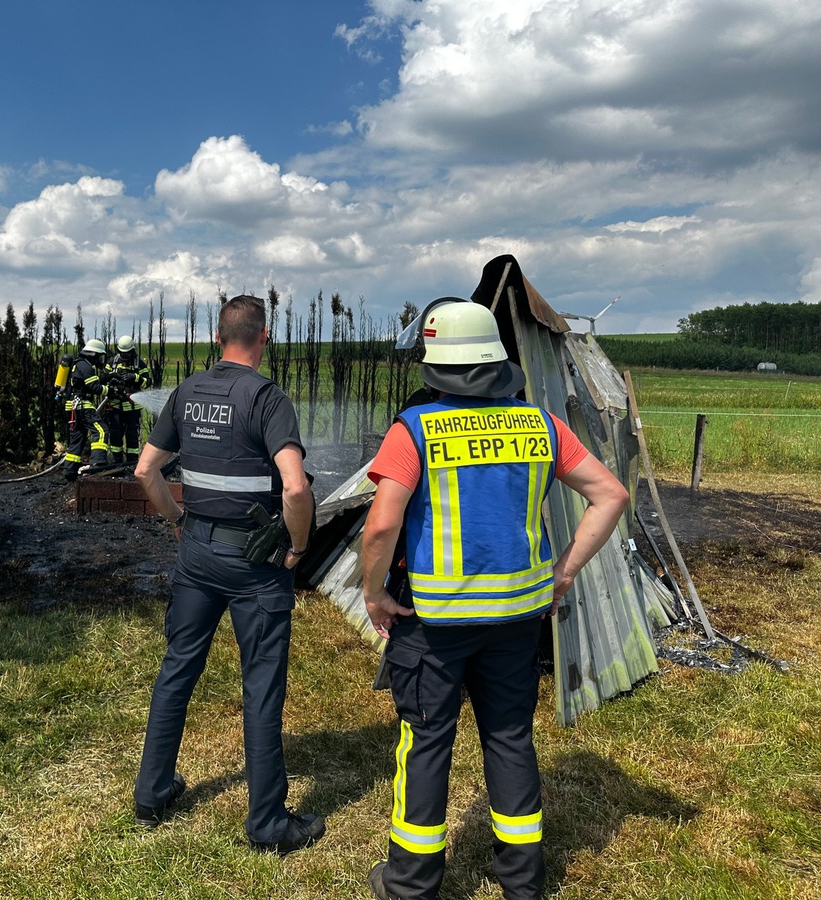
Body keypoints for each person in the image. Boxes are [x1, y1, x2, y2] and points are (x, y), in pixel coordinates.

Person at [361, 300, 630, 900]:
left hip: (433, 621)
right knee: (510, 737)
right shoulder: (539, 425)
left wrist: (375, 593)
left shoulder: (416, 429)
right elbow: (610, 495)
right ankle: (522, 884)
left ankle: (410, 885)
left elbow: (381, 526)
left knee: (425, 742)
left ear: (436, 367)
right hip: (516, 618)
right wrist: (562, 573)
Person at [131, 294, 326, 855]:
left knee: (177, 670)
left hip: (196, 554)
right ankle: (267, 824)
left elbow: (147, 469)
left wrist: (177, 519)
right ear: (263, 338)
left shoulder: (186, 392)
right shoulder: (267, 398)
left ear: (219, 338)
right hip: (255, 567)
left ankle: (152, 794)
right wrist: (297, 544)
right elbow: (294, 486)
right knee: (261, 687)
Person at [62, 338, 111, 482]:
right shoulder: (86, 366)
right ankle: (97, 463)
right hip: (82, 406)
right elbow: (95, 388)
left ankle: (69, 471)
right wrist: (112, 390)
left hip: (72, 406)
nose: (100, 359)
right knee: (101, 431)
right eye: (99, 356)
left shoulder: (78, 365)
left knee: (78, 438)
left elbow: (89, 383)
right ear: (93, 354)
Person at [105, 334, 152, 466]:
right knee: (115, 435)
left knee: (132, 436)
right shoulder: (112, 362)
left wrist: (135, 377)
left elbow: (147, 382)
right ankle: (116, 461)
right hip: (115, 407)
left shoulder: (139, 364)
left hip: (132, 408)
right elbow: (103, 378)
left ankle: (131, 463)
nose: (125, 357)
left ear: (132, 351)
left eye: (127, 354)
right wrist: (112, 379)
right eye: (122, 354)